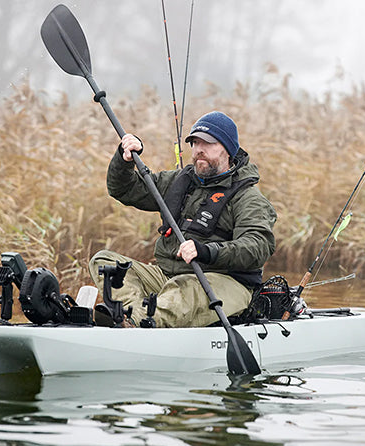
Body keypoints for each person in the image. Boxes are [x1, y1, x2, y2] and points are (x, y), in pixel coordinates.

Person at [88, 111, 277, 328]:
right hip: (168, 277)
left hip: (227, 283)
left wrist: (208, 251)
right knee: (105, 262)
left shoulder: (248, 197)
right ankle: (129, 317)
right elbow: (124, 189)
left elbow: (258, 247)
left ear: (228, 149)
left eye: (208, 143)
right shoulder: (178, 182)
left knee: (184, 287)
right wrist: (124, 160)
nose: (199, 150)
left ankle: (141, 322)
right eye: (195, 143)